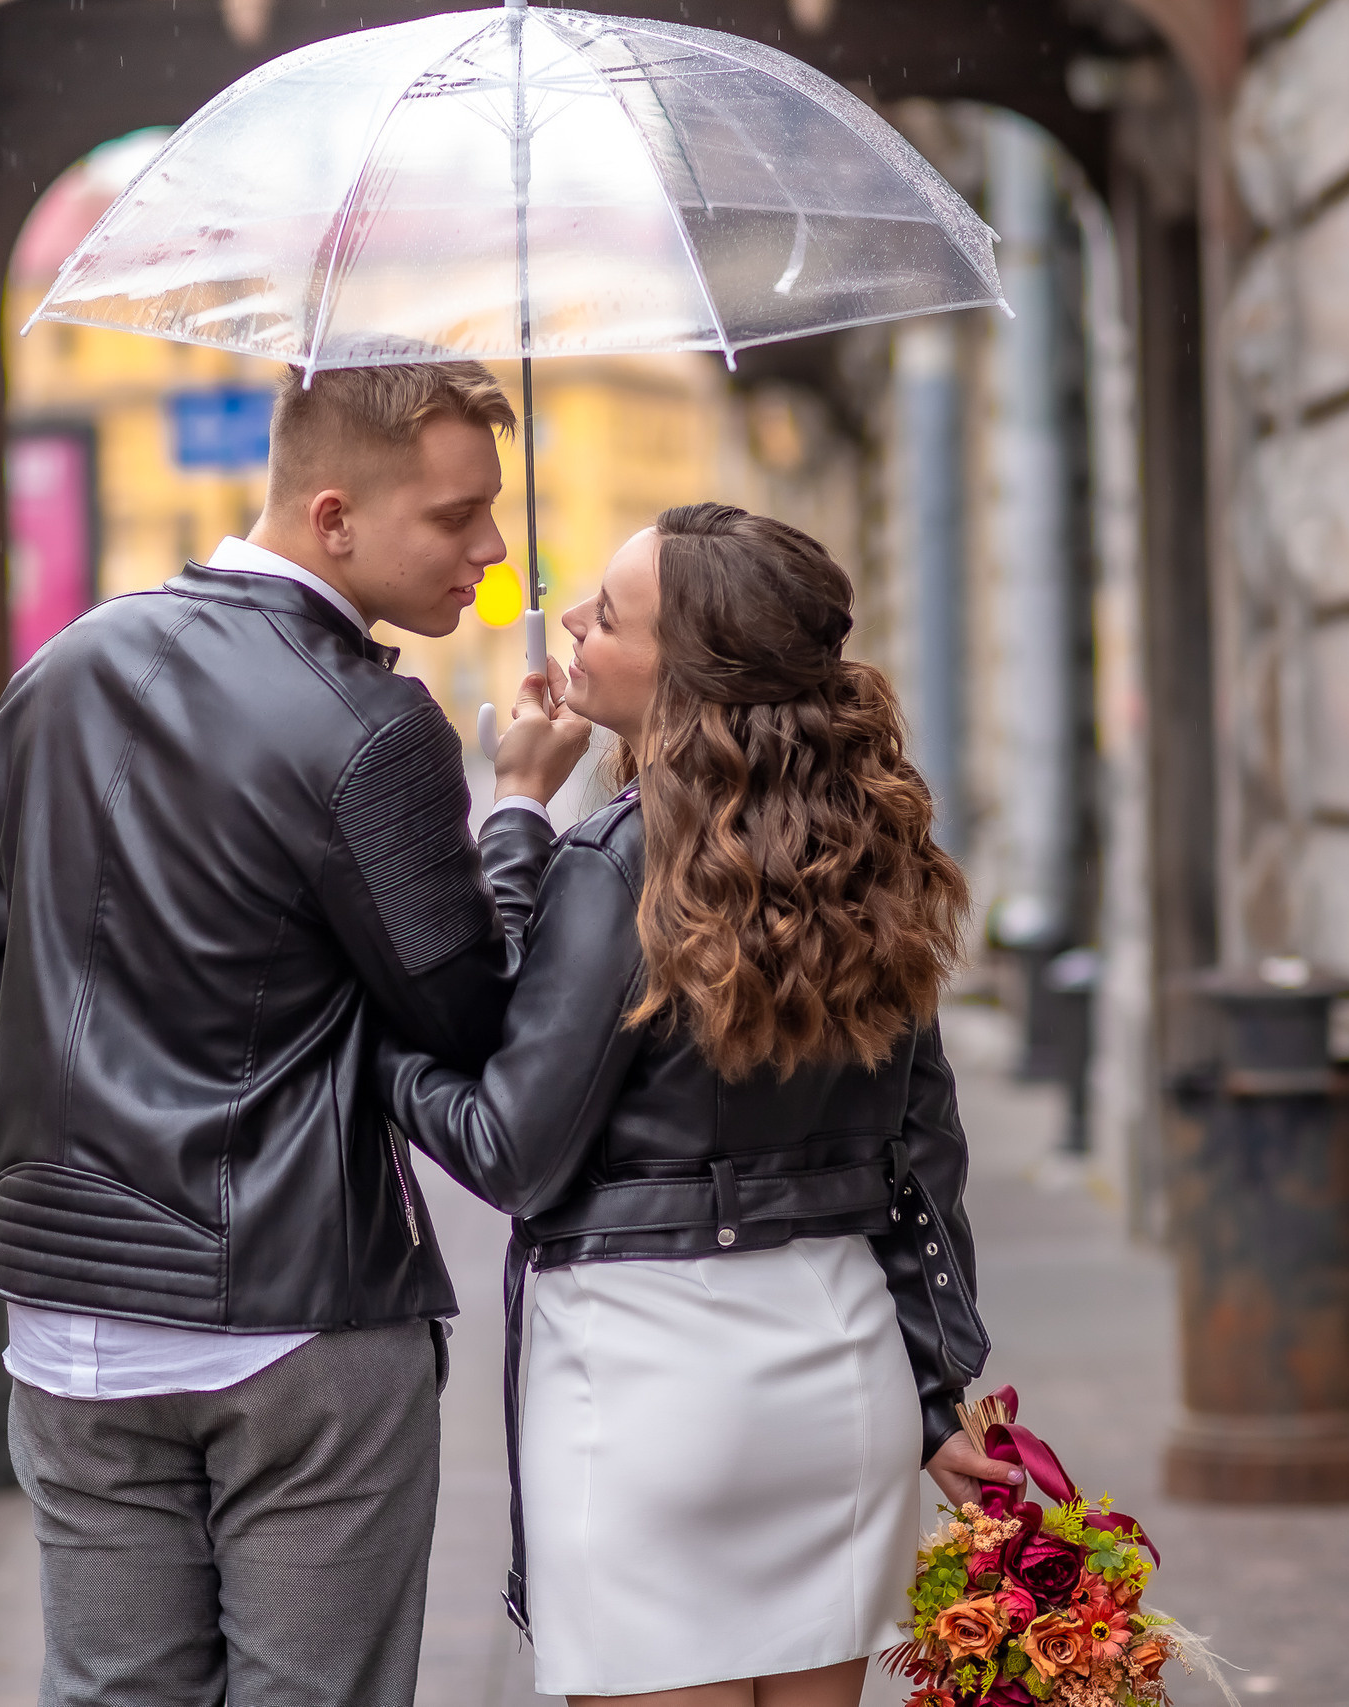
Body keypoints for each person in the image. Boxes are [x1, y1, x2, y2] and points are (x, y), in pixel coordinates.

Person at [0, 360, 591, 1707]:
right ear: (333, 515)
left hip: (68, 1320)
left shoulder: (55, 672)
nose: (489, 550)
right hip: (294, 1314)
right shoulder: (373, 722)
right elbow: (474, 1018)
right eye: (456, 514)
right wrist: (522, 813)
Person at [375, 503, 1020, 1707]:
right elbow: (921, 1151)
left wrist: (372, 1046)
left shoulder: (621, 862)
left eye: (608, 616)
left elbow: (512, 1146)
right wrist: (935, 1395)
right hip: (842, 1372)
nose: (570, 620)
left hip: (645, 1387)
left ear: (691, 674)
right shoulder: (870, 846)